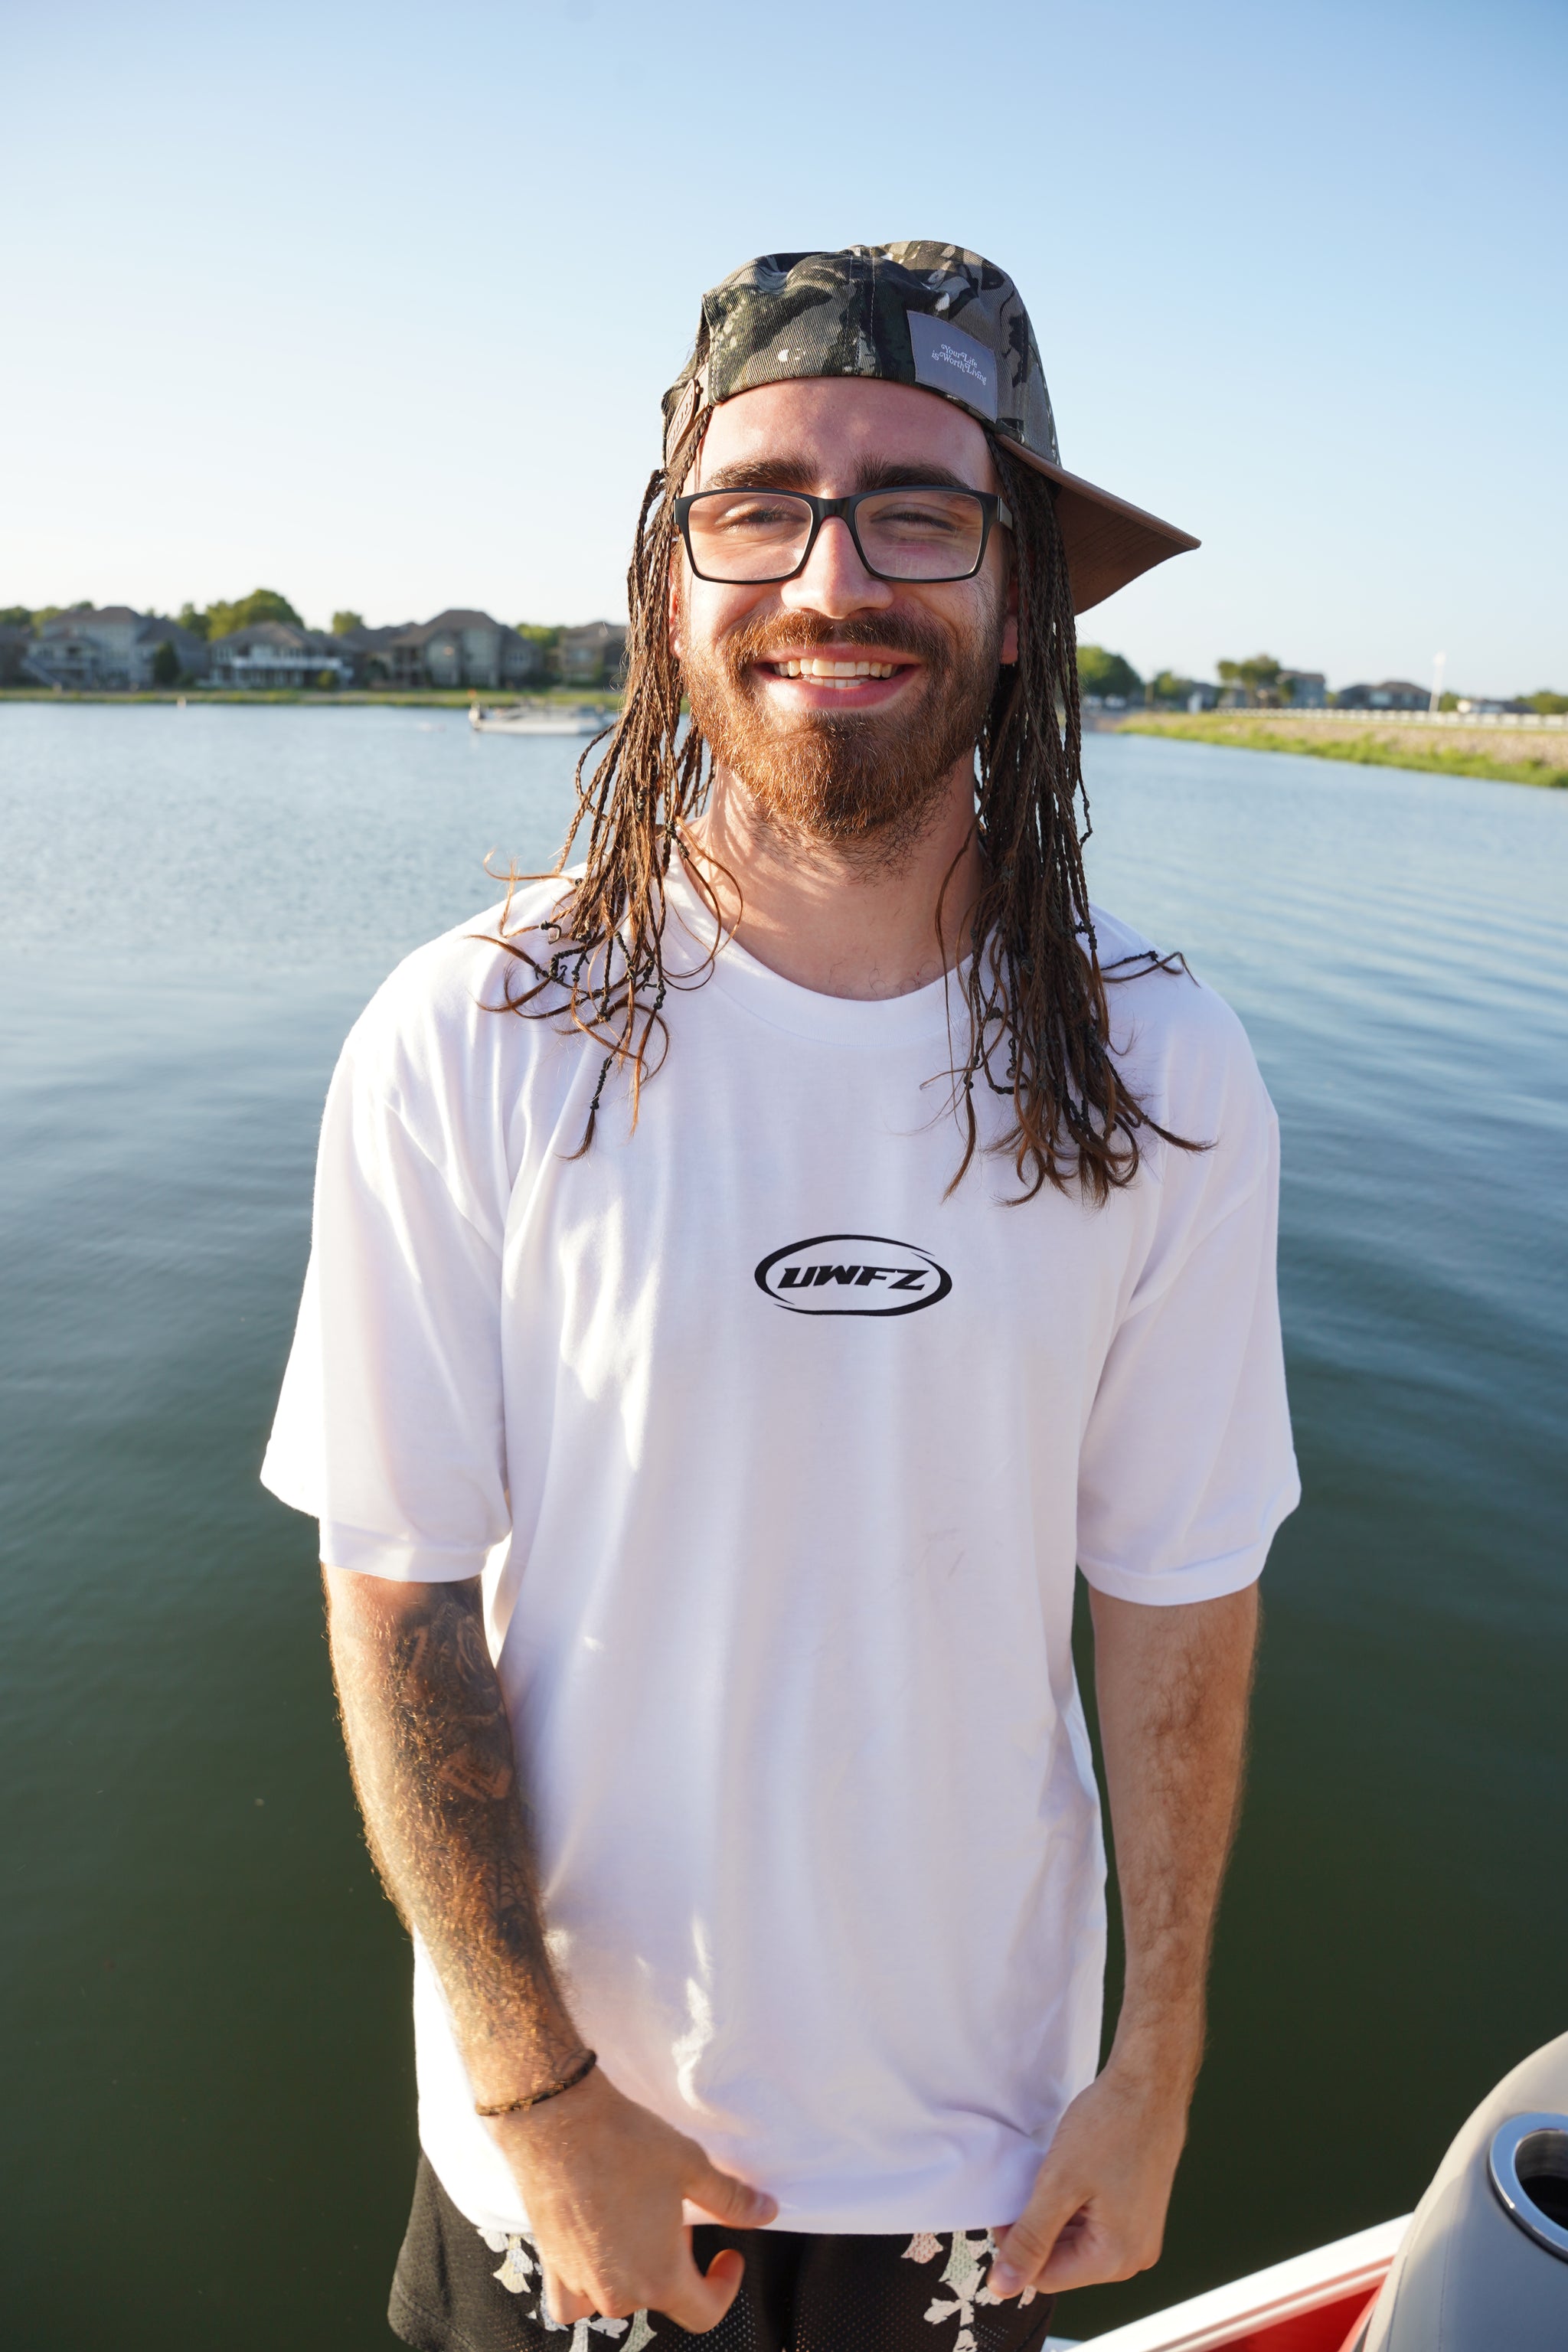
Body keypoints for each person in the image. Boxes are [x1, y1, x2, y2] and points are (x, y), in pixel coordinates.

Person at [263, 243, 1298, 2352]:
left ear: (1021, 598)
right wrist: (541, 2099)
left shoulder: (1162, 1068)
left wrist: (1160, 2049)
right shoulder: (471, 1035)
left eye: (916, 508)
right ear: (671, 581)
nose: (835, 575)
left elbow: (1180, 1590)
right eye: (761, 505)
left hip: (988, 2164)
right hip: (568, 2155)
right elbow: (396, 1593)